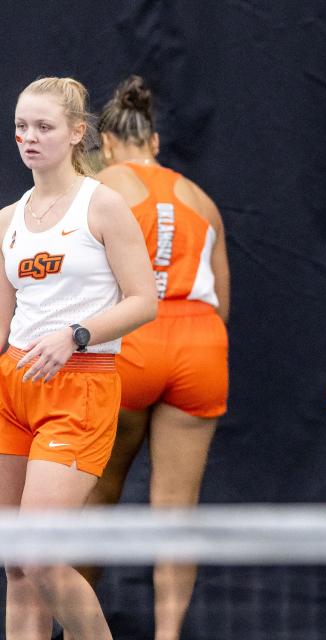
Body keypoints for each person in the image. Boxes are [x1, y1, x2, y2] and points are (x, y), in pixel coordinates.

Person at [0, 77, 157, 639]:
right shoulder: (8, 219)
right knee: (17, 563)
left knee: (41, 556)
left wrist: (77, 334)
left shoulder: (104, 205)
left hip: (80, 388)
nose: (29, 137)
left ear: (76, 133)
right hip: (12, 391)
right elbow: (3, 321)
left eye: (44, 126)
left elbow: (144, 301)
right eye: (21, 126)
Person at [74, 75, 229, 640]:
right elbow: (223, 298)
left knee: (94, 494)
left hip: (129, 345)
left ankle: (80, 630)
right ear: (156, 144)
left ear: (107, 144)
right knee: (176, 514)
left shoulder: (98, 185)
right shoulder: (202, 200)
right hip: (200, 346)